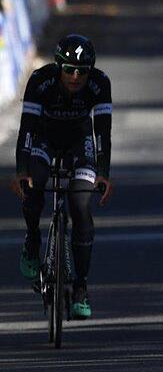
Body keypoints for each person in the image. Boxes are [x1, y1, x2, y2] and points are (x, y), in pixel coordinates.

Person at [12, 34, 113, 320]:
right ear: (58, 67)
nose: (76, 76)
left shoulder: (100, 84)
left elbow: (102, 132)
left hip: (79, 142)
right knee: (35, 184)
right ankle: (32, 240)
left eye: (83, 70)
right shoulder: (40, 81)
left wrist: (103, 173)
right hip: (44, 138)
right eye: (69, 69)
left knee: (80, 206)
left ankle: (80, 286)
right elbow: (27, 128)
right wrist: (21, 170)